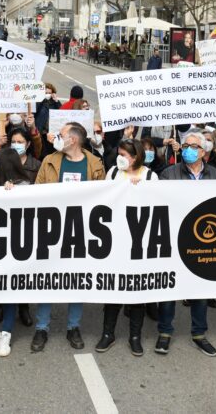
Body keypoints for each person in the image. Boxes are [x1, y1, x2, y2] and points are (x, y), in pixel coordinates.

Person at [29, 122, 105, 352]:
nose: (56, 137)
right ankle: (42, 327)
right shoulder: (50, 161)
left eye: (61, 135)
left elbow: (104, 196)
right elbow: (36, 191)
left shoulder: (94, 164)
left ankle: (74, 326)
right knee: (47, 279)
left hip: (81, 230)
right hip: (51, 228)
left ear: (73, 140)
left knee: (76, 280)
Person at [154, 130, 216, 356]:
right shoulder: (169, 174)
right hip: (174, 238)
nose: (187, 150)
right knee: (169, 288)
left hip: (203, 240)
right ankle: (164, 332)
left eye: (193, 147)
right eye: (185, 146)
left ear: (203, 152)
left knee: (199, 289)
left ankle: (199, 334)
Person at [94, 139, 159, 356]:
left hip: (139, 241)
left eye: (125, 154)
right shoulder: (113, 172)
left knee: (137, 291)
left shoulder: (150, 176)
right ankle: (107, 333)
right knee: (114, 289)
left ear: (136, 156)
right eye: (119, 153)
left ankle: (135, 336)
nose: (120, 157)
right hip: (115, 239)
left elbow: (158, 204)